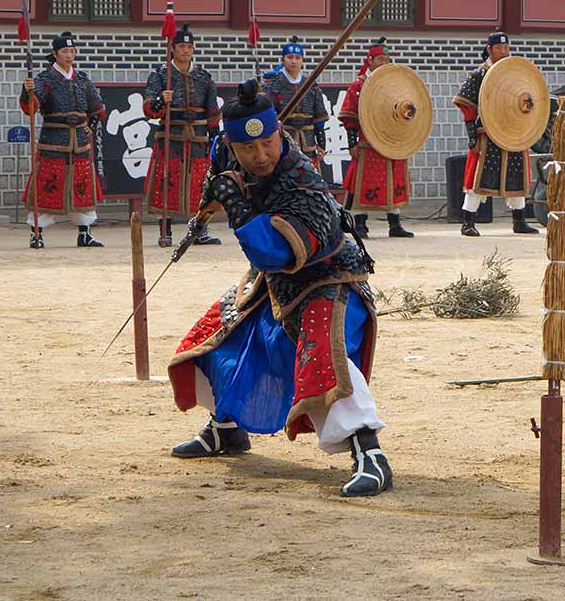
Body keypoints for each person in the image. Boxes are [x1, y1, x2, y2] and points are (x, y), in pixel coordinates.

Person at [166, 79, 391, 498]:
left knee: (324, 352)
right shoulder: (225, 150)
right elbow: (217, 174)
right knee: (223, 337)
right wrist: (219, 188)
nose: (261, 155)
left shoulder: (303, 181)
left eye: (267, 143)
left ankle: (369, 454)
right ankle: (226, 429)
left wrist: (236, 206)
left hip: (328, 278)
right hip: (277, 284)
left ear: (278, 135)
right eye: (248, 149)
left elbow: (274, 252)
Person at [20, 32, 106, 248]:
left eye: (72, 51)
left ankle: (84, 232)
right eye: (65, 51)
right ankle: (36, 233)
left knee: (83, 186)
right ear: (55, 54)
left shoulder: (82, 79)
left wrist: (88, 128)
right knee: (47, 186)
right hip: (53, 139)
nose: (69, 55)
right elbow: (31, 108)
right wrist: (26, 92)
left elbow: (97, 109)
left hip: (79, 141)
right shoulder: (44, 79)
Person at [453, 30, 539, 237]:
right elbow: (468, 107)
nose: (503, 51)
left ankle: (519, 220)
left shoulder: (516, 73)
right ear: (489, 49)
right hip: (487, 132)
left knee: (517, 175)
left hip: (513, 132)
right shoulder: (479, 74)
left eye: (506, 47)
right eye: (499, 48)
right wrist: (472, 136)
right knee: (478, 178)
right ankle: (468, 221)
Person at [143, 24, 221, 247]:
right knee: (167, 182)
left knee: (200, 185)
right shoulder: (160, 75)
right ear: (172, 48)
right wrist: (161, 100)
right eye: (181, 46)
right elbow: (149, 108)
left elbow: (212, 113)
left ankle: (200, 229)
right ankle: (165, 230)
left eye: (189, 46)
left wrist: (214, 139)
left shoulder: (204, 77)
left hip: (197, 137)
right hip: (171, 137)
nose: (185, 50)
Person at [338, 37, 414, 239]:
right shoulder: (358, 86)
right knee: (364, 181)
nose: (383, 63)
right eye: (379, 59)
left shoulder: (396, 85)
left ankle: (395, 223)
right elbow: (350, 115)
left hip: (392, 140)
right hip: (367, 140)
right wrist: (352, 142)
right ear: (369, 61)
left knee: (394, 178)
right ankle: (361, 224)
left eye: (386, 60)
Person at [262, 36, 329, 168]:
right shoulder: (272, 84)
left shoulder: (311, 85)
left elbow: (319, 118)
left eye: (297, 58)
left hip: (308, 138)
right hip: (283, 136)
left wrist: (321, 144)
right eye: (290, 57)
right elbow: (268, 114)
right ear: (283, 60)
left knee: (310, 176)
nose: (293, 61)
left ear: (302, 61)